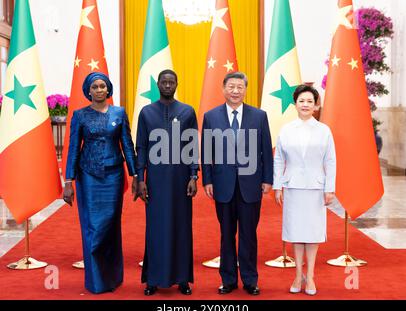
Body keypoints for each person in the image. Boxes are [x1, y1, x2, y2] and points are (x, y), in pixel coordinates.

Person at [63, 72, 138, 294]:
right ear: (88, 91)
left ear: (108, 89)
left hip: (114, 176)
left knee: (110, 225)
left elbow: (127, 144)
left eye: (102, 86)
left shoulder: (119, 113)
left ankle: (113, 277)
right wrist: (69, 181)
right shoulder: (80, 115)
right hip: (88, 176)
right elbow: (74, 148)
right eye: (94, 87)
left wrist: (135, 176)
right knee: (92, 227)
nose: (98, 90)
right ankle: (96, 280)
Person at [201, 72, 273, 296]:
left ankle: (250, 280)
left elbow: (266, 151)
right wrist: (208, 180)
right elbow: (206, 152)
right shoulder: (211, 116)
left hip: (251, 186)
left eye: (239, 87)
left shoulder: (259, 116)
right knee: (226, 234)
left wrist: (267, 179)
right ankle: (228, 280)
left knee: (249, 235)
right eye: (231, 87)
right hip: (222, 185)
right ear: (223, 89)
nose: (235, 91)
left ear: (245, 90)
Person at [135, 69, 199, 296]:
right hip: (155, 179)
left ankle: (182, 279)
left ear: (177, 84)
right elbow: (141, 147)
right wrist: (139, 179)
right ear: (158, 85)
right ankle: (153, 279)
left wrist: (194, 175)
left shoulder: (187, 111)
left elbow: (192, 146)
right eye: (164, 82)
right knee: (156, 229)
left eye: (172, 82)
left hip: (181, 180)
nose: (168, 85)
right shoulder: (146, 112)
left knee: (181, 227)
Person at [273, 84, 336, 296]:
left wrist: (330, 188)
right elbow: (279, 159)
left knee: (312, 233)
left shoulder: (324, 130)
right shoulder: (287, 129)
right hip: (292, 187)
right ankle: (297, 274)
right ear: (295, 104)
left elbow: (331, 161)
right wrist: (277, 186)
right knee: (296, 232)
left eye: (310, 101)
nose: (306, 105)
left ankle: (310, 276)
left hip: (316, 189)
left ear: (316, 105)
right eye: (302, 101)